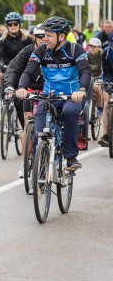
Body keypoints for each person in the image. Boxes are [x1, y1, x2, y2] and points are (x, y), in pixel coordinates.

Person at [17, 16, 90, 171]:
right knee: (38, 133)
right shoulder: (41, 50)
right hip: (49, 96)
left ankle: (70, 157)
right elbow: (28, 71)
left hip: (71, 96)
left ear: (61, 37)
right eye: (44, 35)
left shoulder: (75, 50)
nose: (45, 39)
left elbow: (85, 72)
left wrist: (81, 90)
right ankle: (40, 170)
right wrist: (22, 87)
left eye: (49, 35)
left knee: (69, 112)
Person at [4, 24, 47, 180]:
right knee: (28, 125)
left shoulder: (54, 51)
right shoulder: (28, 51)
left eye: (46, 36)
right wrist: (9, 85)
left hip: (50, 92)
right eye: (40, 36)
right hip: (30, 91)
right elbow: (13, 68)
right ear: (34, 37)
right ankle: (25, 162)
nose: (44, 39)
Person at [98, 36, 113, 146]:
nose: (112, 46)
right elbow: (106, 71)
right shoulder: (106, 53)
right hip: (109, 78)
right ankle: (106, 135)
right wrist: (107, 83)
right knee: (106, 102)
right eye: (111, 44)